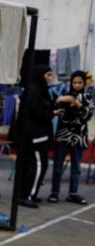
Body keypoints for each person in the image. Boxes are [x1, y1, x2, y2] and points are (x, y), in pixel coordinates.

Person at [48, 71, 94, 205]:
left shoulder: (88, 97)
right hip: (63, 135)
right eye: (74, 82)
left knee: (76, 167)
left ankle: (73, 193)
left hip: (79, 137)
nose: (77, 85)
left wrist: (78, 104)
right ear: (71, 83)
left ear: (84, 83)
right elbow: (55, 111)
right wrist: (59, 100)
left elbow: (88, 116)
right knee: (57, 166)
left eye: (80, 82)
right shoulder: (63, 96)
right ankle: (54, 192)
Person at [18, 65, 57, 208]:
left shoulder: (39, 91)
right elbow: (39, 114)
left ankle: (29, 194)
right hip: (35, 137)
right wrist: (53, 113)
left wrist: (54, 107)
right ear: (40, 75)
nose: (50, 78)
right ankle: (27, 195)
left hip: (38, 136)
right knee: (38, 166)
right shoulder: (34, 92)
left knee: (35, 165)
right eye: (47, 75)